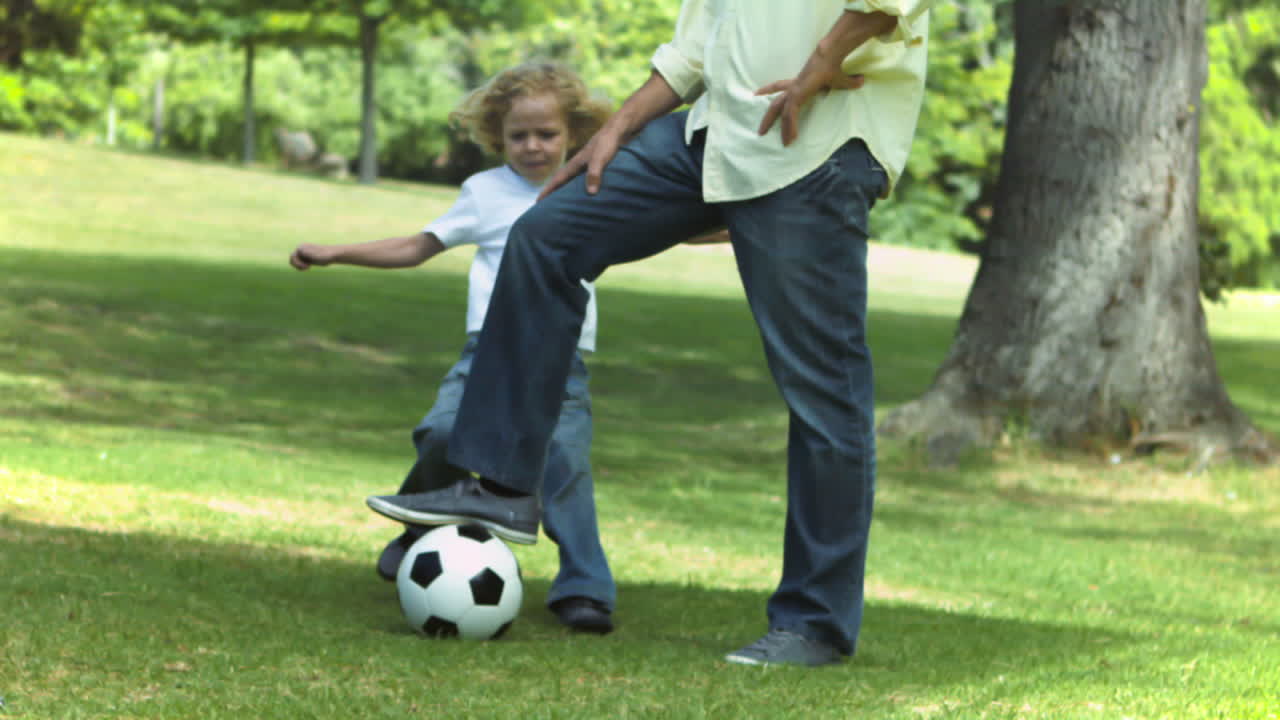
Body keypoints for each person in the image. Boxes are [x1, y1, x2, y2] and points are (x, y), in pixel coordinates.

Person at [365, 2, 936, 665]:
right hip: (711, 132)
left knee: (823, 391)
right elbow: (697, 43)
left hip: (814, 141)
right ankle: (502, 486)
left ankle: (815, 624)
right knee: (546, 235)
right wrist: (618, 127)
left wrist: (822, 60)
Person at [290, 61, 618, 634]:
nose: (533, 146)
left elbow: (672, 225)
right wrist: (337, 252)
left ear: (574, 131)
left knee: (564, 463)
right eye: (519, 135)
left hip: (559, 362)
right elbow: (418, 247)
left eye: (547, 134)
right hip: (487, 353)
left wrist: (740, 219)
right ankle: (418, 525)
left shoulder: (592, 186)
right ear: (497, 137)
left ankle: (585, 589)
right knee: (444, 433)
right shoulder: (485, 193)